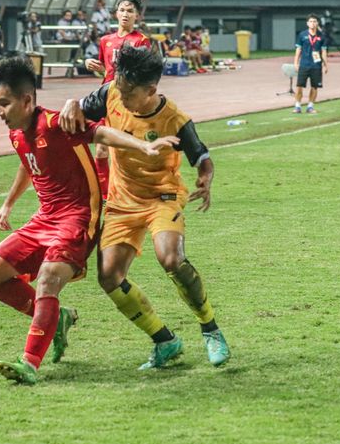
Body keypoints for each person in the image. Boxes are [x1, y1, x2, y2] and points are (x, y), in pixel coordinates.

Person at [0, 57, 179, 385]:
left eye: (3, 103)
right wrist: (8, 204)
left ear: (27, 100)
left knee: (48, 278)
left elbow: (102, 134)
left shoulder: (56, 124)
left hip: (79, 216)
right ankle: (60, 319)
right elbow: (29, 164)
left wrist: (144, 145)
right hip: (44, 217)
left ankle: (29, 362)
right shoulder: (17, 132)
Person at [59, 45, 231, 370]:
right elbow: (81, 106)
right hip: (122, 202)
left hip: (162, 198)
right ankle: (164, 341)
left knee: (171, 258)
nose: (120, 98)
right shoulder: (112, 91)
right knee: (109, 276)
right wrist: (71, 103)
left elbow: (202, 157)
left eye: (128, 94)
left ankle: (210, 327)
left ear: (151, 90)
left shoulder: (174, 119)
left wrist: (206, 179)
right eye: (119, 89)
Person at [84, 0, 151, 201]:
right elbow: (106, 72)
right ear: (115, 13)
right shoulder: (106, 41)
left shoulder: (141, 41)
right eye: (122, 10)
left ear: (137, 16)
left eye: (130, 11)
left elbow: (143, 74)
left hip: (128, 102)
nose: (125, 14)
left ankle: (135, 190)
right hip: (106, 99)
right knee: (101, 150)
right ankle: (105, 196)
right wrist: (92, 66)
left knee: (126, 151)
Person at [293, 13, 328, 114]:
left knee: (314, 86)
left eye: (314, 21)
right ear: (307, 23)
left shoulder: (322, 37)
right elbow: (298, 50)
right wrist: (296, 63)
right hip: (304, 64)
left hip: (316, 65)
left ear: (317, 23)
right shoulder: (302, 35)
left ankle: (310, 106)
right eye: (311, 21)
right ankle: (298, 106)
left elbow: (324, 52)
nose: (312, 23)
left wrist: (326, 65)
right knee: (299, 86)